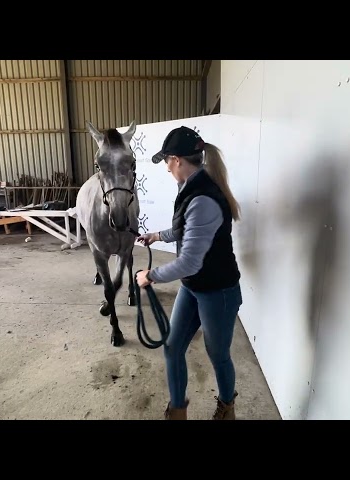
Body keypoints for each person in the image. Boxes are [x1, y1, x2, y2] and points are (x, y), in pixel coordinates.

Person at [135, 126, 243, 420]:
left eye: (167, 161)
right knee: (172, 348)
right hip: (195, 287)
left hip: (218, 291)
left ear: (177, 160)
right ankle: (178, 411)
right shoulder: (191, 187)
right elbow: (185, 228)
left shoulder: (203, 198)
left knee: (218, 355)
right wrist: (157, 236)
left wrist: (150, 276)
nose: (167, 168)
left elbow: (189, 263)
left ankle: (227, 408)